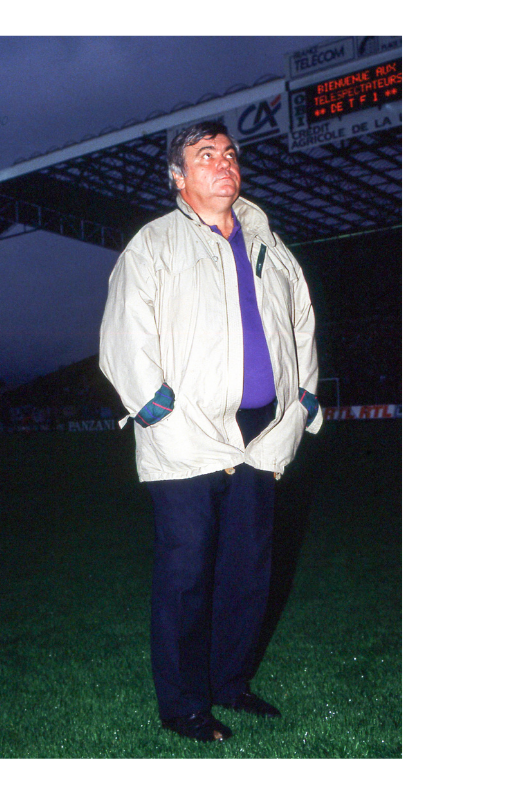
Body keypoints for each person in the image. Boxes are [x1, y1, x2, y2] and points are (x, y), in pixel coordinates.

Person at [99, 121, 322, 743]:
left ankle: (230, 684)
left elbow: (300, 323)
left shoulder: (270, 246)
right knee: (186, 573)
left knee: (248, 571)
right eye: (205, 156)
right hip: (187, 436)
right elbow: (124, 332)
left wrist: (302, 399)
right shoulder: (154, 244)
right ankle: (183, 705)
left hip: (263, 434)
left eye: (229, 154)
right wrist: (153, 407)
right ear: (179, 176)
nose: (223, 164)